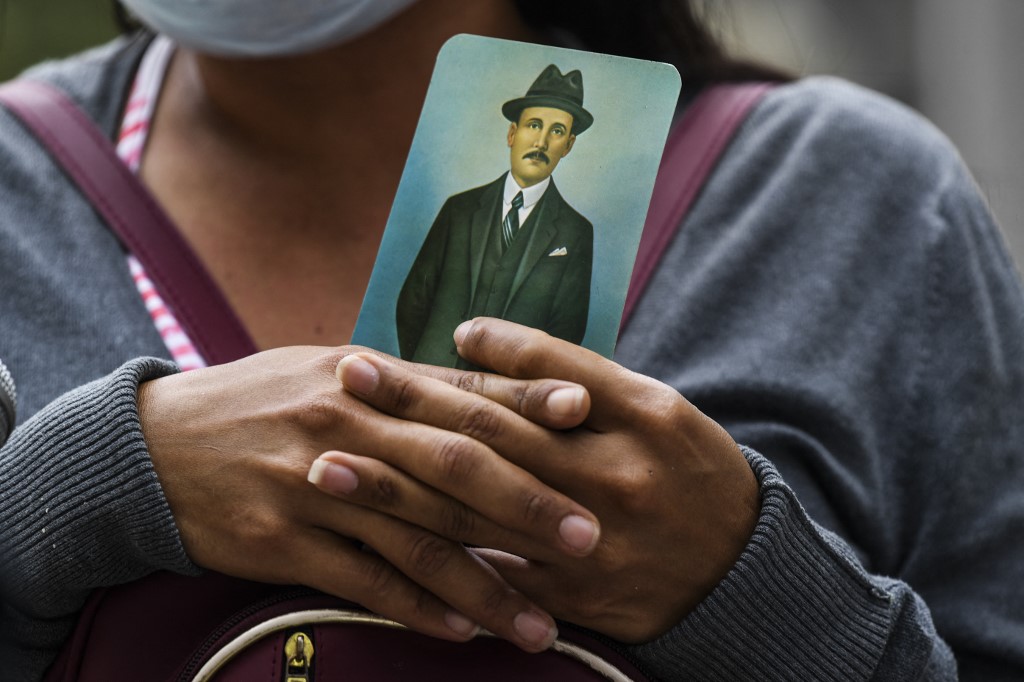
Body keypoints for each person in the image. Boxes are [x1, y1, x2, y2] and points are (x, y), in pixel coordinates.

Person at [1, 0, 1022, 680]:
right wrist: (84, 486)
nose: (535, 144)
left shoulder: (853, 200)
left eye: (552, 133)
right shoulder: (19, 195)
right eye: (523, 129)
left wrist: (746, 584)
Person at [396, 63, 594, 366]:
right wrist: (424, 366)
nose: (541, 143)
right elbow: (413, 302)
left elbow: (567, 332)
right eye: (534, 125)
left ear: (568, 145)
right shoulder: (458, 210)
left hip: (507, 395)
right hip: (429, 374)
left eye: (556, 131)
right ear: (512, 133)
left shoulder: (575, 232)